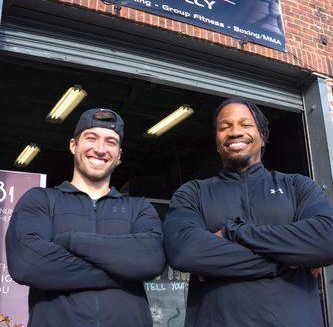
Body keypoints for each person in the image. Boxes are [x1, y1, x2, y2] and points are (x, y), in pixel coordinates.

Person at [164, 98, 333, 327]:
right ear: (217, 141)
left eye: (245, 124)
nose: (235, 132)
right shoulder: (193, 193)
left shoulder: (297, 186)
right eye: (225, 127)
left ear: (262, 137)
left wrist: (234, 232)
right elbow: (184, 252)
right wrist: (289, 260)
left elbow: (327, 240)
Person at [6, 108, 166, 327]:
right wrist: (123, 273)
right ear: (73, 145)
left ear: (119, 154)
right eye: (91, 138)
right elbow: (27, 264)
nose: (100, 149)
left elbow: (152, 259)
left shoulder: (138, 207)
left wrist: (70, 241)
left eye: (111, 142)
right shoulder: (41, 200)